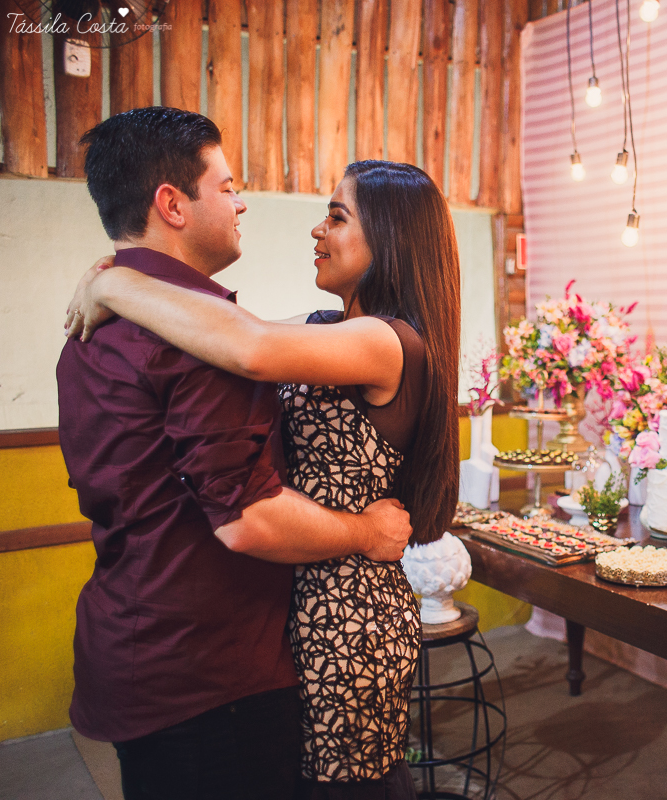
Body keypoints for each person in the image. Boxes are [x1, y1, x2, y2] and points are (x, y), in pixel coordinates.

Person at [66, 157, 462, 799]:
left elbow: (248, 347)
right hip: (296, 601)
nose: (318, 231)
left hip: (346, 612)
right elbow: (219, 338)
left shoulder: (387, 342)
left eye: (337, 216)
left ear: (390, 237)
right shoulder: (326, 329)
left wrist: (113, 289)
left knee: (349, 790)